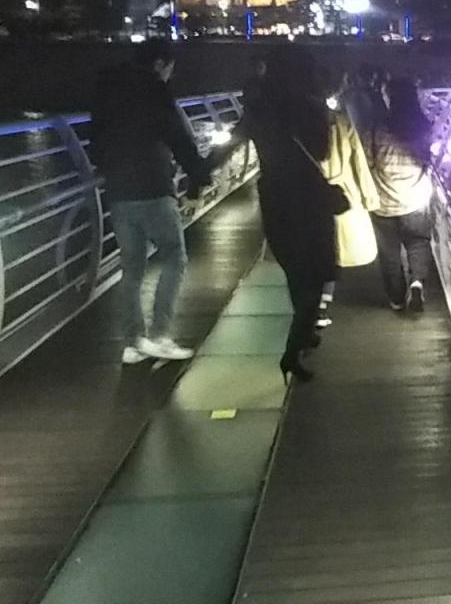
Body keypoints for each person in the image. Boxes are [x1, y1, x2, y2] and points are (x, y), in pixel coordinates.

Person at [90, 40, 213, 364]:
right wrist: (198, 175)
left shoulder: (107, 90)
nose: (171, 75)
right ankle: (160, 335)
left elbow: (96, 139)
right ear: (160, 64)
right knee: (174, 256)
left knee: (131, 268)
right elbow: (178, 138)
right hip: (153, 187)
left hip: (118, 191)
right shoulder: (155, 91)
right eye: (170, 68)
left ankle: (133, 342)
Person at [235, 47, 338, 382]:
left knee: (295, 270)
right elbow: (321, 151)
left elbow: (234, 140)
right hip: (308, 199)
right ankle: (292, 352)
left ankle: (304, 335)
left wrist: (198, 173)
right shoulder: (310, 105)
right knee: (315, 275)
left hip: (274, 198)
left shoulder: (259, 106)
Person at [367, 77, 435, 312]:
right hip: (415, 198)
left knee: (389, 252)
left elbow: (368, 161)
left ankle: (396, 298)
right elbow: (429, 160)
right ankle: (416, 283)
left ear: (390, 98)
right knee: (418, 242)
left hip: (383, 200)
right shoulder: (424, 127)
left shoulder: (377, 128)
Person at [320, 105, 381, 325]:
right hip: (344, 193)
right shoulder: (342, 122)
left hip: (309, 194)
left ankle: (317, 306)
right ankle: (323, 303)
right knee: (335, 249)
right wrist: (369, 198)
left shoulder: (294, 121)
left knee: (316, 250)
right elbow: (359, 162)